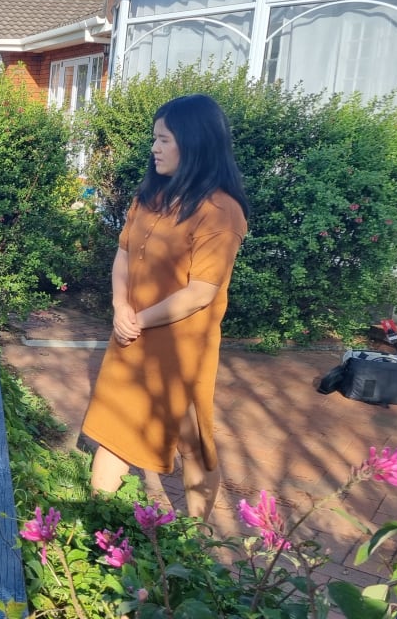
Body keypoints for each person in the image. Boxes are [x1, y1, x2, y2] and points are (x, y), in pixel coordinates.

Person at [80, 93, 249, 521]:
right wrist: (121, 307)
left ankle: (194, 537)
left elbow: (201, 292)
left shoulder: (220, 213)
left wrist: (139, 319)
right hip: (131, 332)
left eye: (164, 139)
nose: (154, 148)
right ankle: (97, 528)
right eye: (154, 138)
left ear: (195, 143)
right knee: (116, 429)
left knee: (192, 441)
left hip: (179, 348)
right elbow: (124, 254)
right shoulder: (150, 194)